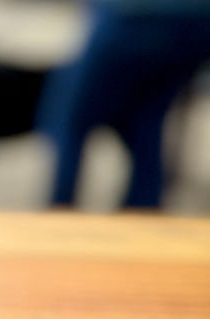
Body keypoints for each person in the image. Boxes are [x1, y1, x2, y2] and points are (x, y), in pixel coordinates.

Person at [36, 0, 210, 208]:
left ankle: (58, 217)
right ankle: (144, 222)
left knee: (69, 120)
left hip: (130, 15)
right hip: (196, 23)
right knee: (147, 122)